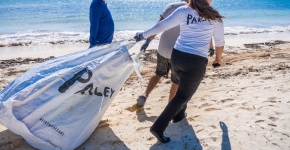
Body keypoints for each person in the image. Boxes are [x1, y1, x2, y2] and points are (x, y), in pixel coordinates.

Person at [134, 0, 224, 143]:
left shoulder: (184, 10)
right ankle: (158, 128)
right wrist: (218, 59)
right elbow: (219, 43)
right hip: (195, 61)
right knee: (183, 96)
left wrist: (143, 35)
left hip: (177, 56)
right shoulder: (215, 17)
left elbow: (162, 25)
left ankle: (178, 115)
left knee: (181, 85)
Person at [137, 0, 215, 107]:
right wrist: (211, 47)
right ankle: (170, 107)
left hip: (163, 48)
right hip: (179, 52)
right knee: (176, 81)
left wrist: (147, 40)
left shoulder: (171, 6)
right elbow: (205, 31)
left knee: (158, 72)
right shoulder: (197, 9)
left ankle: (145, 95)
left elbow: (160, 25)